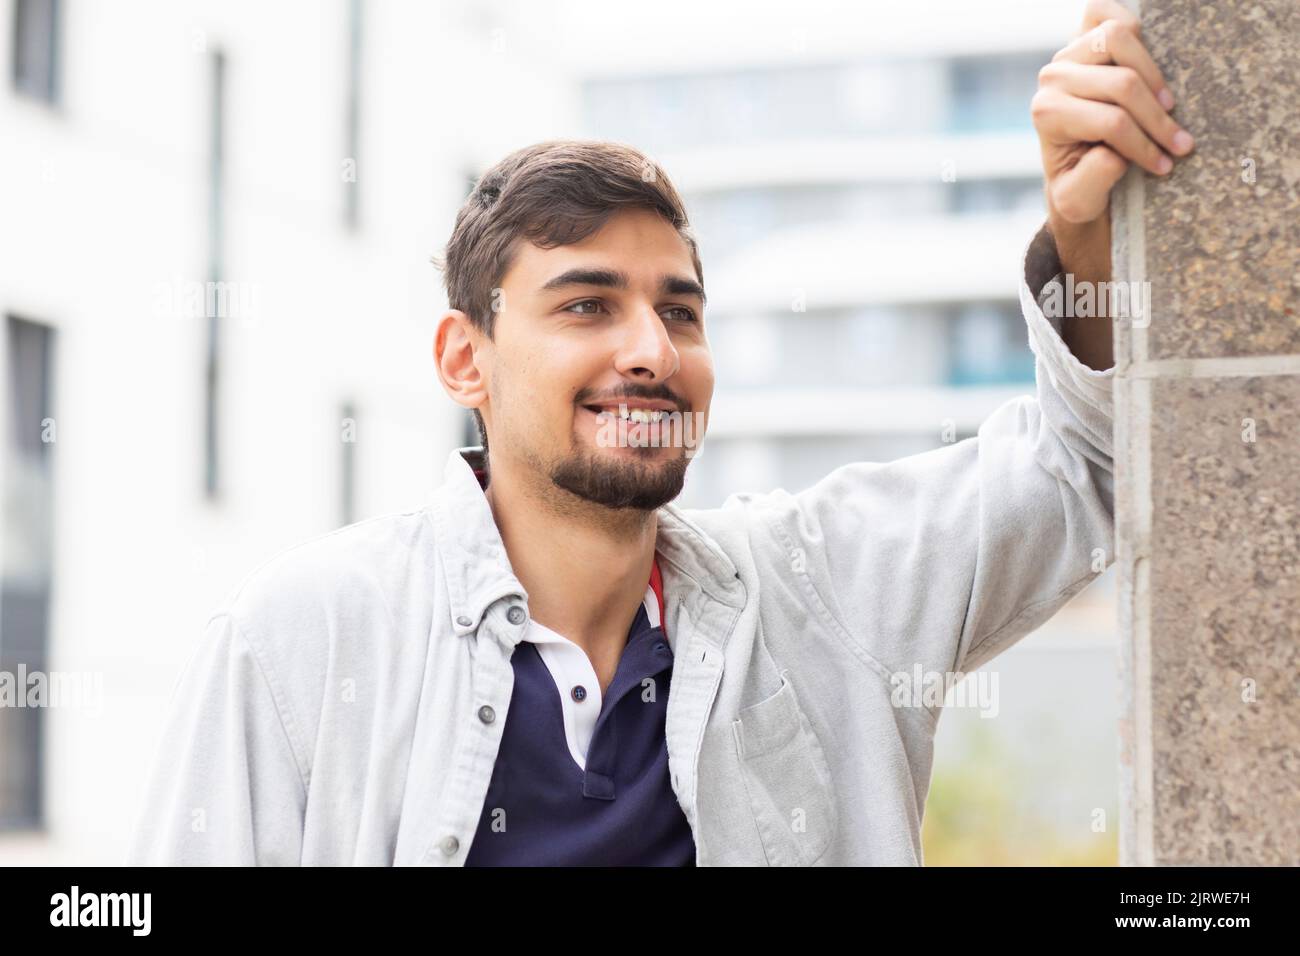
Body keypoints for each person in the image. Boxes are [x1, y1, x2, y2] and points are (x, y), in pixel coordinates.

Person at [127, 0, 1194, 865]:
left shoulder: (827, 592)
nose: (651, 347)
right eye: (587, 305)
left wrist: (1083, 232)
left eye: (679, 310)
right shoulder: (302, 639)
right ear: (465, 359)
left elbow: (1088, 461)